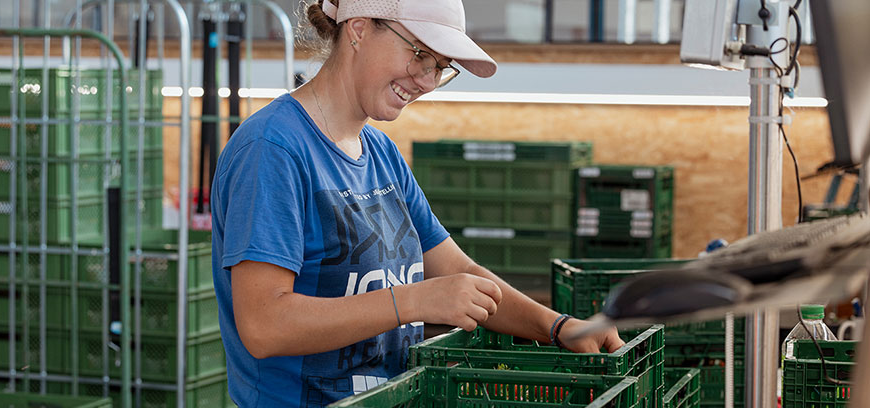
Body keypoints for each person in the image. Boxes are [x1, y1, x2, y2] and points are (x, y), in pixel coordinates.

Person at [210, 0, 625, 406]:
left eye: (440, 67)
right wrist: (412, 301)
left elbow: (458, 271)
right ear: (359, 29)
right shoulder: (273, 149)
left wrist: (558, 327)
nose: (427, 81)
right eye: (420, 54)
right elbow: (264, 326)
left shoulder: (380, 153)